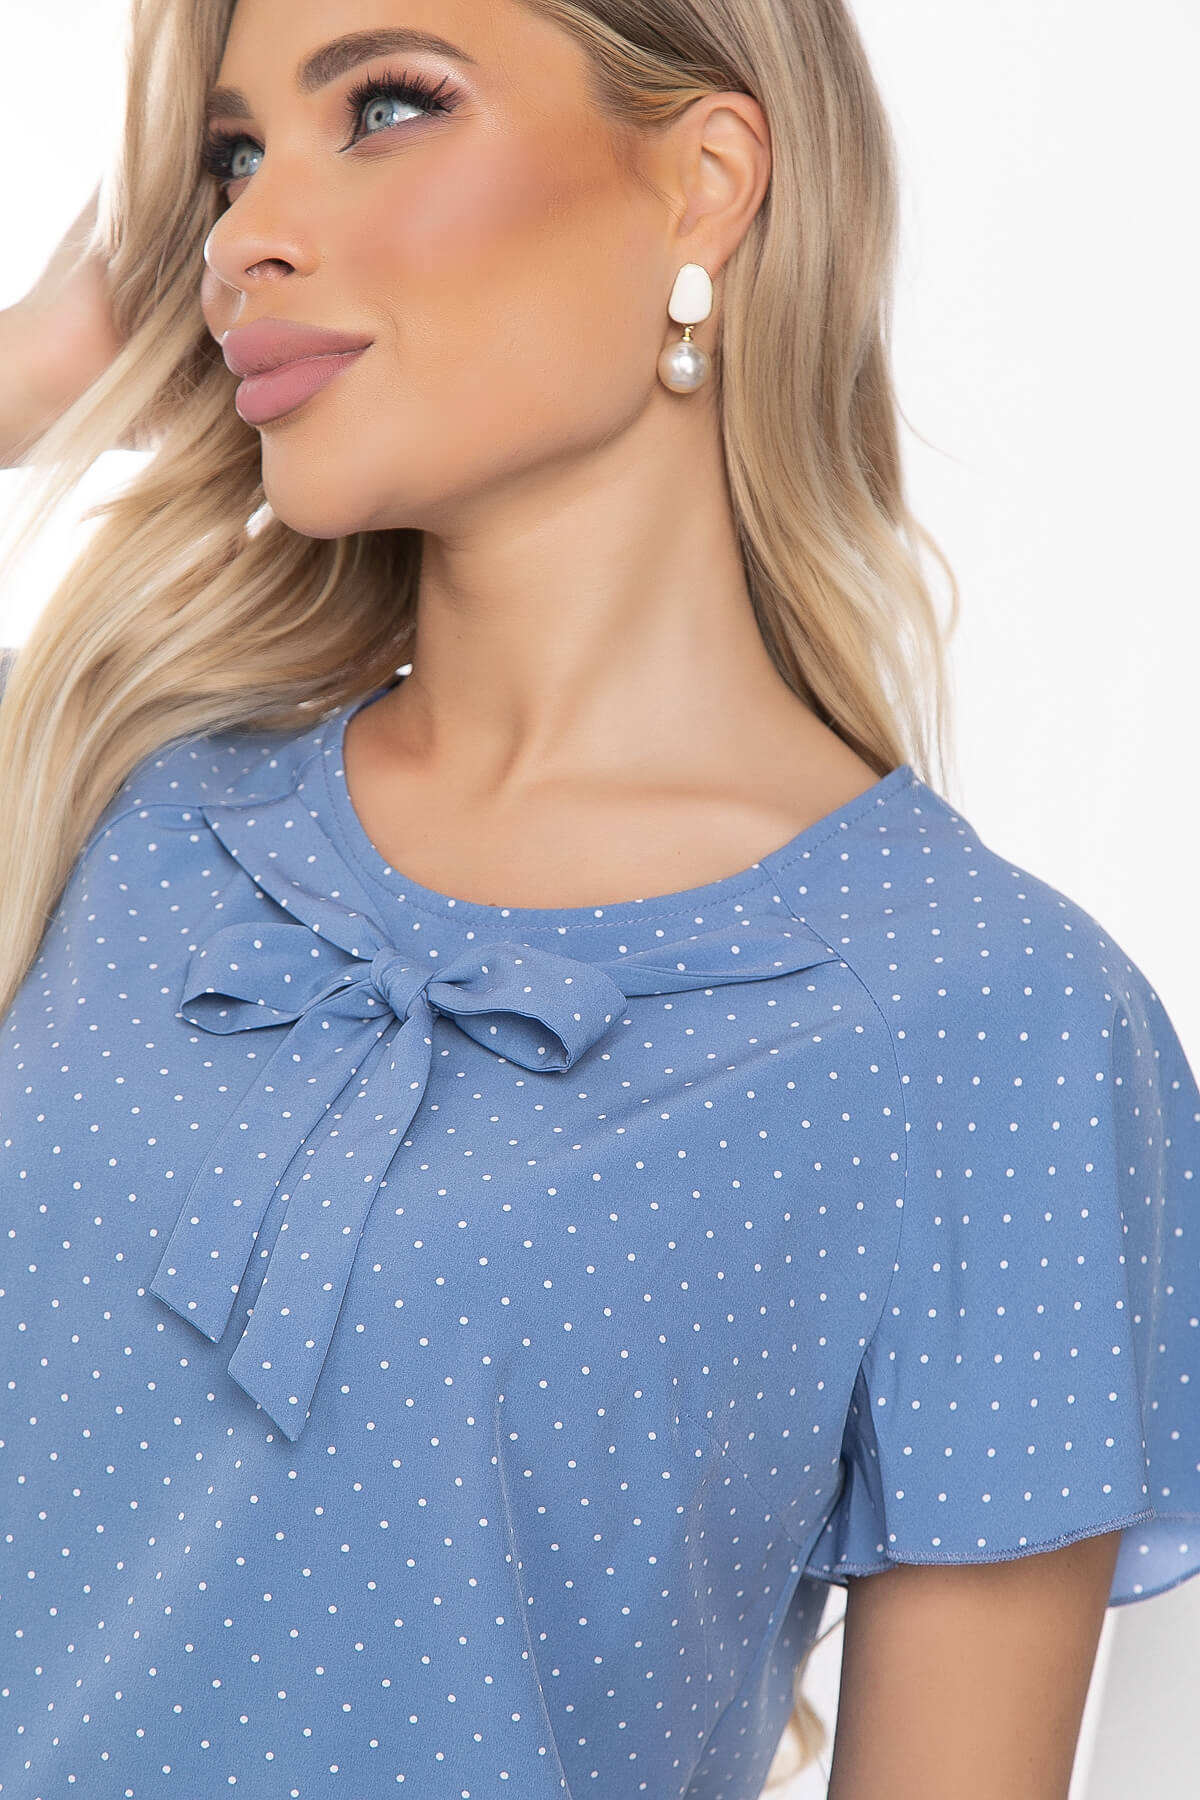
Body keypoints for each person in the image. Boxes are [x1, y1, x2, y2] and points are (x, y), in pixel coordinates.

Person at [0, 2, 1196, 1796]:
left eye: (386, 107)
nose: (246, 231)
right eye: (232, 159)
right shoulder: (100, 793)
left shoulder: (986, 1026)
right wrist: (38, 367)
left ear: (706, 181)